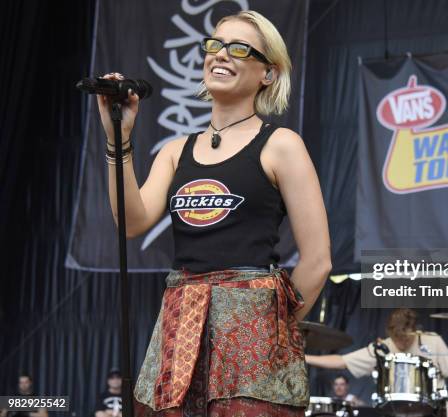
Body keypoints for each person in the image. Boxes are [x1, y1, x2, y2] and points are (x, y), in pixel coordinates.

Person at [95, 9, 331, 417]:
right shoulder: (175, 151)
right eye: (214, 45)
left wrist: (274, 329)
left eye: (239, 48)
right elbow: (131, 223)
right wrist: (120, 137)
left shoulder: (281, 144)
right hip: (180, 320)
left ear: (268, 74)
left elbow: (317, 261)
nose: (220, 55)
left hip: (251, 328)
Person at [305, 309, 448, 417]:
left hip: (433, 409)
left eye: (406, 337)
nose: (401, 341)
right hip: (394, 411)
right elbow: (341, 361)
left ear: (415, 330)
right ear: (389, 331)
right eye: (397, 337)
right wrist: (303, 357)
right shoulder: (383, 347)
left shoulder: (432, 341)